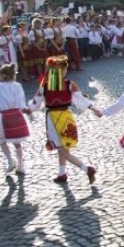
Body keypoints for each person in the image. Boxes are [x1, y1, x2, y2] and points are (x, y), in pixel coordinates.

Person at [28, 55, 99, 184]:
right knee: (62, 148)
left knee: (64, 150)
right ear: (63, 71)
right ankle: (62, 174)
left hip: (54, 119)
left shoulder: (45, 85)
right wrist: (94, 109)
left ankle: (87, 169)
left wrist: (29, 109)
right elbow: (81, 100)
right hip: (66, 117)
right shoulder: (69, 85)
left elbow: (36, 101)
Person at [0, 63, 31, 174]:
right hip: (16, 114)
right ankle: (21, 164)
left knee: (1, 140)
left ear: (1, 75)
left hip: (4, 116)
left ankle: (10, 160)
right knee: (17, 141)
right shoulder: (17, 85)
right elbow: (20, 101)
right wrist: (24, 109)